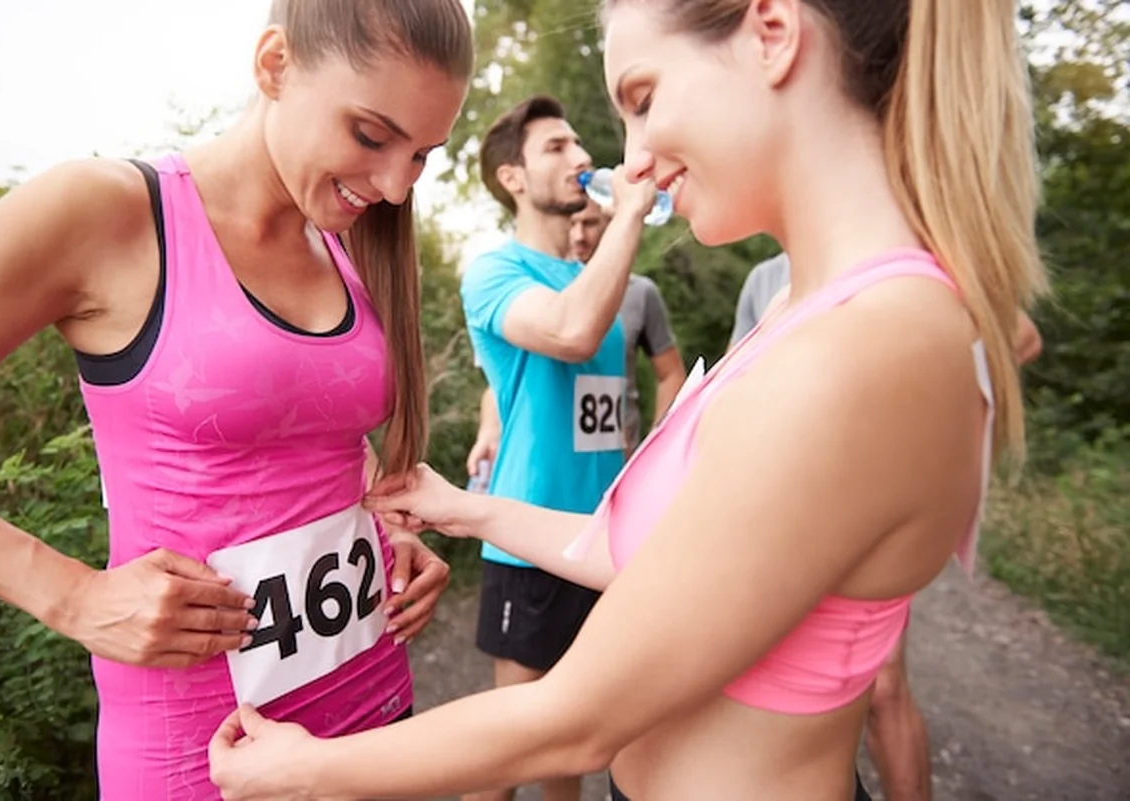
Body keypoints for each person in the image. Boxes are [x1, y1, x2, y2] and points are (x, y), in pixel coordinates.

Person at [208, 1, 1049, 799]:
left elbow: (577, 718)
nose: (633, 157)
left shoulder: (861, 350)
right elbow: (655, 559)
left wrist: (308, 769)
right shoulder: (808, 313)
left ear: (771, 33)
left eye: (643, 100)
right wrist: (466, 509)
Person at [0, 1, 472, 798]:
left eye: (422, 155)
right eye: (370, 135)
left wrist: (379, 529)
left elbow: (310, 440)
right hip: (204, 762)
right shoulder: (104, 210)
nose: (395, 185)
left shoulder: (343, 234)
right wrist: (72, 594)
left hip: (376, 727)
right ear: (274, 65)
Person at [730, 252, 1044, 801]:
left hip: (865, 503)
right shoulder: (765, 278)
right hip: (784, 507)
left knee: (884, 687)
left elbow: (1021, 334)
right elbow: (738, 381)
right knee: (794, 678)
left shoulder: (899, 255)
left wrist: (924, 398)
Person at [458, 94, 659, 801]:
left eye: (580, 144)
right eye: (556, 148)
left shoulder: (592, 279)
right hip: (529, 538)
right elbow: (563, 335)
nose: (581, 158)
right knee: (510, 747)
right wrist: (630, 213)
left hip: (604, 539)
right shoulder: (492, 271)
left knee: (577, 738)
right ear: (512, 178)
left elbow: (530, 372)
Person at [468, 198, 684, 475]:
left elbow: (671, 374)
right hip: (541, 466)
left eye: (590, 223)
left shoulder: (641, 293)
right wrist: (489, 427)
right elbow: (501, 380)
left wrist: (655, 450)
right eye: (572, 224)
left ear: (608, 223)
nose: (580, 236)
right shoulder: (528, 291)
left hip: (616, 466)